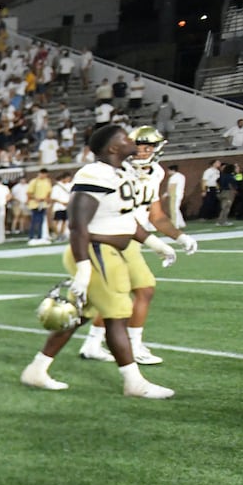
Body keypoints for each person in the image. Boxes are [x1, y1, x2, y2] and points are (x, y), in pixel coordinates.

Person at [19, 124, 174, 399]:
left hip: (107, 251)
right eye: (125, 138)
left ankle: (36, 369)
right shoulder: (93, 174)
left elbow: (125, 220)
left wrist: (155, 243)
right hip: (95, 252)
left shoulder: (122, 171)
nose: (131, 141)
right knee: (117, 315)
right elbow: (78, 226)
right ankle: (133, 382)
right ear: (113, 148)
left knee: (79, 316)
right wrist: (82, 269)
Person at [77, 127, 197, 365]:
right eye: (139, 145)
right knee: (144, 289)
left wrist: (180, 236)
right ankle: (132, 345)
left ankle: (91, 343)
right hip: (115, 236)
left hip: (131, 236)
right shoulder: (115, 170)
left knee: (113, 296)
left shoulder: (156, 172)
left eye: (149, 146)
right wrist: (154, 242)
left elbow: (156, 215)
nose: (143, 151)